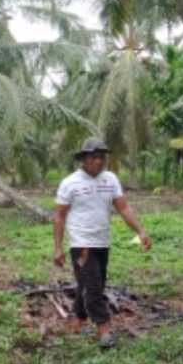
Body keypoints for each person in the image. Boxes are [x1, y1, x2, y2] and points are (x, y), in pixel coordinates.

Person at [53, 138, 152, 348]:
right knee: (94, 288)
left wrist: (140, 231)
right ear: (84, 159)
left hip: (102, 242)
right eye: (93, 157)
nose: (98, 161)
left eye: (102, 157)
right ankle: (104, 330)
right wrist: (58, 248)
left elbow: (123, 208)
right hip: (82, 244)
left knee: (88, 285)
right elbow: (59, 216)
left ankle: (77, 321)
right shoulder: (70, 183)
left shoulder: (110, 179)